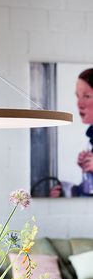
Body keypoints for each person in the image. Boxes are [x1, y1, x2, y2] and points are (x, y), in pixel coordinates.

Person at [50, 68, 93, 197]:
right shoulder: (90, 139)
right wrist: (66, 192)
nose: (79, 104)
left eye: (87, 96)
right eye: (77, 96)